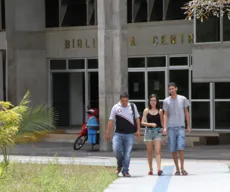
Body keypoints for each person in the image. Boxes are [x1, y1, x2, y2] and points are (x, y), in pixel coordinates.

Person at [106, 92, 140, 177]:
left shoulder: (132, 106)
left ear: (128, 100)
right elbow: (111, 121)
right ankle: (120, 165)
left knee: (127, 153)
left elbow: (137, 118)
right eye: (123, 101)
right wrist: (107, 133)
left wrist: (138, 130)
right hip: (118, 134)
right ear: (120, 100)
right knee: (116, 150)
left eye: (126, 101)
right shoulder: (115, 107)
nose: (124, 103)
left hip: (129, 134)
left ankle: (125, 171)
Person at [163, 82, 191, 176]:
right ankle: (177, 169)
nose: (171, 90)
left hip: (181, 127)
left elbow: (186, 112)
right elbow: (165, 114)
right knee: (173, 149)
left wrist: (188, 125)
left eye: (172, 88)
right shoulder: (166, 101)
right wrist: (165, 127)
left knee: (181, 147)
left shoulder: (182, 99)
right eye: (169, 89)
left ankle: (183, 168)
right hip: (171, 127)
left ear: (176, 88)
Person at [141, 94, 163, 176]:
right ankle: (150, 169)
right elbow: (142, 122)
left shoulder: (160, 111)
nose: (153, 102)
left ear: (157, 101)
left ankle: (159, 169)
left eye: (154, 100)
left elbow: (162, 123)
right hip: (148, 132)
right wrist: (150, 124)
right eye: (151, 100)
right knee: (149, 152)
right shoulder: (146, 110)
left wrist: (164, 130)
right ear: (149, 102)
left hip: (157, 132)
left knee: (157, 151)